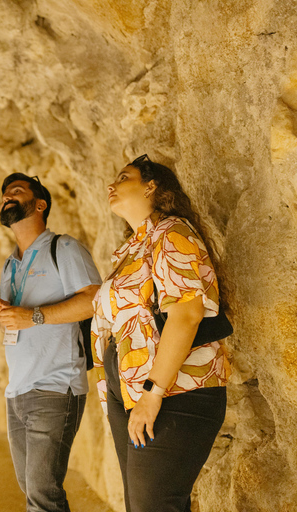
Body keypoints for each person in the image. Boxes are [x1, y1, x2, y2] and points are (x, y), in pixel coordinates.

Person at [92, 154, 231, 511]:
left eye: (123, 177)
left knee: (151, 505)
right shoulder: (133, 248)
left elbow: (186, 316)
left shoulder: (173, 234)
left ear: (151, 186)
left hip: (175, 391)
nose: (112, 184)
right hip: (133, 392)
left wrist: (152, 394)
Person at [0, 173, 102, 512]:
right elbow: (17, 322)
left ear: (40, 205)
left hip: (55, 385)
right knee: (32, 489)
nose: (7, 196)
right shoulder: (10, 264)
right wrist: (1, 314)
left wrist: (33, 316)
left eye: (17, 191)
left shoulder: (62, 247)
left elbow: (95, 299)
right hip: (17, 391)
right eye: (5, 193)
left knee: (41, 494)